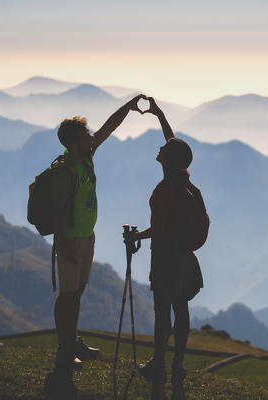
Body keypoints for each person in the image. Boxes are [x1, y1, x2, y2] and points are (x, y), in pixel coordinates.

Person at [47, 94, 146, 391]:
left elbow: (107, 129)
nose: (92, 138)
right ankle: (65, 350)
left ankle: (72, 342)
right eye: (86, 135)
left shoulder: (86, 157)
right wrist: (64, 247)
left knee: (77, 292)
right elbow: (57, 215)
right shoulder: (66, 171)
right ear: (74, 142)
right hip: (70, 242)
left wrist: (128, 107)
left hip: (86, 237)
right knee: (67, 295)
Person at [124, 97, 203, 400]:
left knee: (162, 312)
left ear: (168, 159)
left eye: (162, 151)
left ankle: (157, 365)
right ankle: (177, 365)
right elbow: (174, 144)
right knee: (180, 308)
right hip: (184, 255)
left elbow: (159, 230)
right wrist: (159, 115)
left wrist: (136, 238)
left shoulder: (168, 188)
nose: (159, 149)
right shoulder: (181, 180)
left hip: (166, 256)